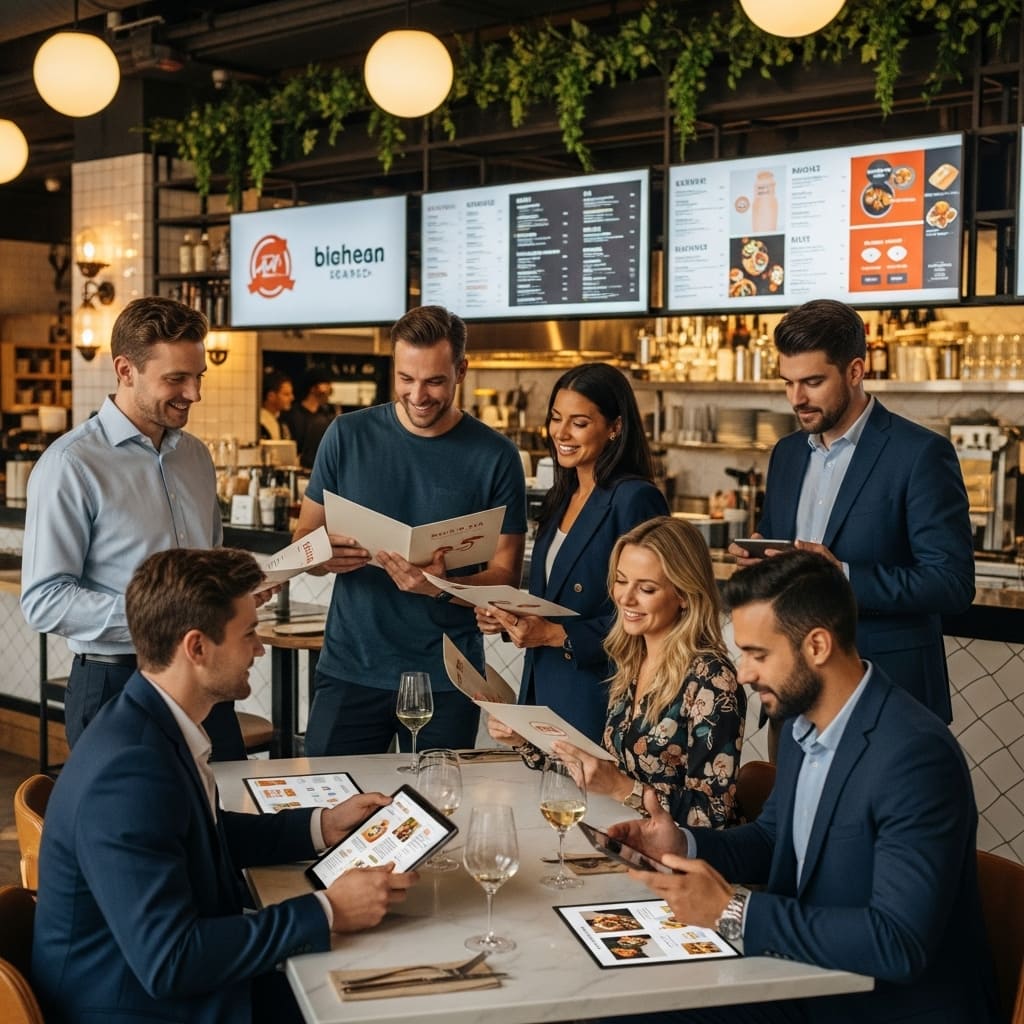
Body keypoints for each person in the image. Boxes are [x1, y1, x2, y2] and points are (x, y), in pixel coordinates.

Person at [603, 550, 996, 1024]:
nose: (744, 673)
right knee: (620, 1004)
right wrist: (682, 842)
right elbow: (773, 841)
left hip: (880, 1005)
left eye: (758, 654)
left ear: (816, 646)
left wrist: (735, 913)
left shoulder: (914, 756)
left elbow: (898, 943)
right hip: (804, 977)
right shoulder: (798, 725)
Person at [31, 547, 417, 1024]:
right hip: (138, 1006)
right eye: (249, 633)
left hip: (164, 982)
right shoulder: (129, 772)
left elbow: (199, 836)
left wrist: (322, 826)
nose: (259, 648)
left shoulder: (147, 721)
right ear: (196, 647)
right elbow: (170, 961)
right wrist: (328, 910)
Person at [730, 298, 973, 731]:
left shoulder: (919, 454)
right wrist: (760, 563)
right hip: (794, 690)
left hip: (886, 694)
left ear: (855, 371)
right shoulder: (786, 454)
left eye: (812, 382)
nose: (796, 399)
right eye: (787, 382)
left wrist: (841, 574)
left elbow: (951, 584)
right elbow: (779, 553)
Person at [293, 305, 527, 754]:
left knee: (435, 811)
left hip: (446, 676)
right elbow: (303, 541)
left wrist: (436, 586)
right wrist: (320, 556)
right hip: (350, 666)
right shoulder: (346, 435)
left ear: (461, 369)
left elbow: (505, 577)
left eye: (434, 381)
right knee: (326, 804)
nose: (417, 395)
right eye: (405, 379)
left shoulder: (496, 456)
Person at [21, 295, 246, 759]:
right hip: (116, 683)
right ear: (126, 370)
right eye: (176, 379)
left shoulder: (196, 457)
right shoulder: (70, 464)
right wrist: (165, 620)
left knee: (228, 821)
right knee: (137, 828)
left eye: (198, 376)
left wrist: (234, 592)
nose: (194, 394)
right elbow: (44, 601)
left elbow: (209, 566)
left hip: (205, 681)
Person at [490, 516, 745, 826]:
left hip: (678, 862)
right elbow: (602, 775)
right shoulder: (631, 659)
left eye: (647, 588)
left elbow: (713, 814)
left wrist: (623, 789)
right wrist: (523, 740)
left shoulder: (712, 680)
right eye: (621, 581)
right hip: (624, 836)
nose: (625, 597)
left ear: (684, 595)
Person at [476, 362, 669, 741]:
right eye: (555, 418)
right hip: (543, 689)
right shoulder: (561, 496)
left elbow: (652, 616)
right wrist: (510, 617)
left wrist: (553, 635)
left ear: (614, 427)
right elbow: (555, 599)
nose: (561, 433)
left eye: (579, 423)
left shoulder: (635, 499)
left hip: (598, 696)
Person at [282, 366, 335, 468]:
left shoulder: (326, 415)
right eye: (325, 384)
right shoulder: (293, 415)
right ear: (313, 388)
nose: (329, 388)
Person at [259, 370, 293, 440]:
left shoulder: (284, 420)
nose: (292, 398)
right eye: (286, 394)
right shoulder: (260, 423)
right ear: (271, 396)